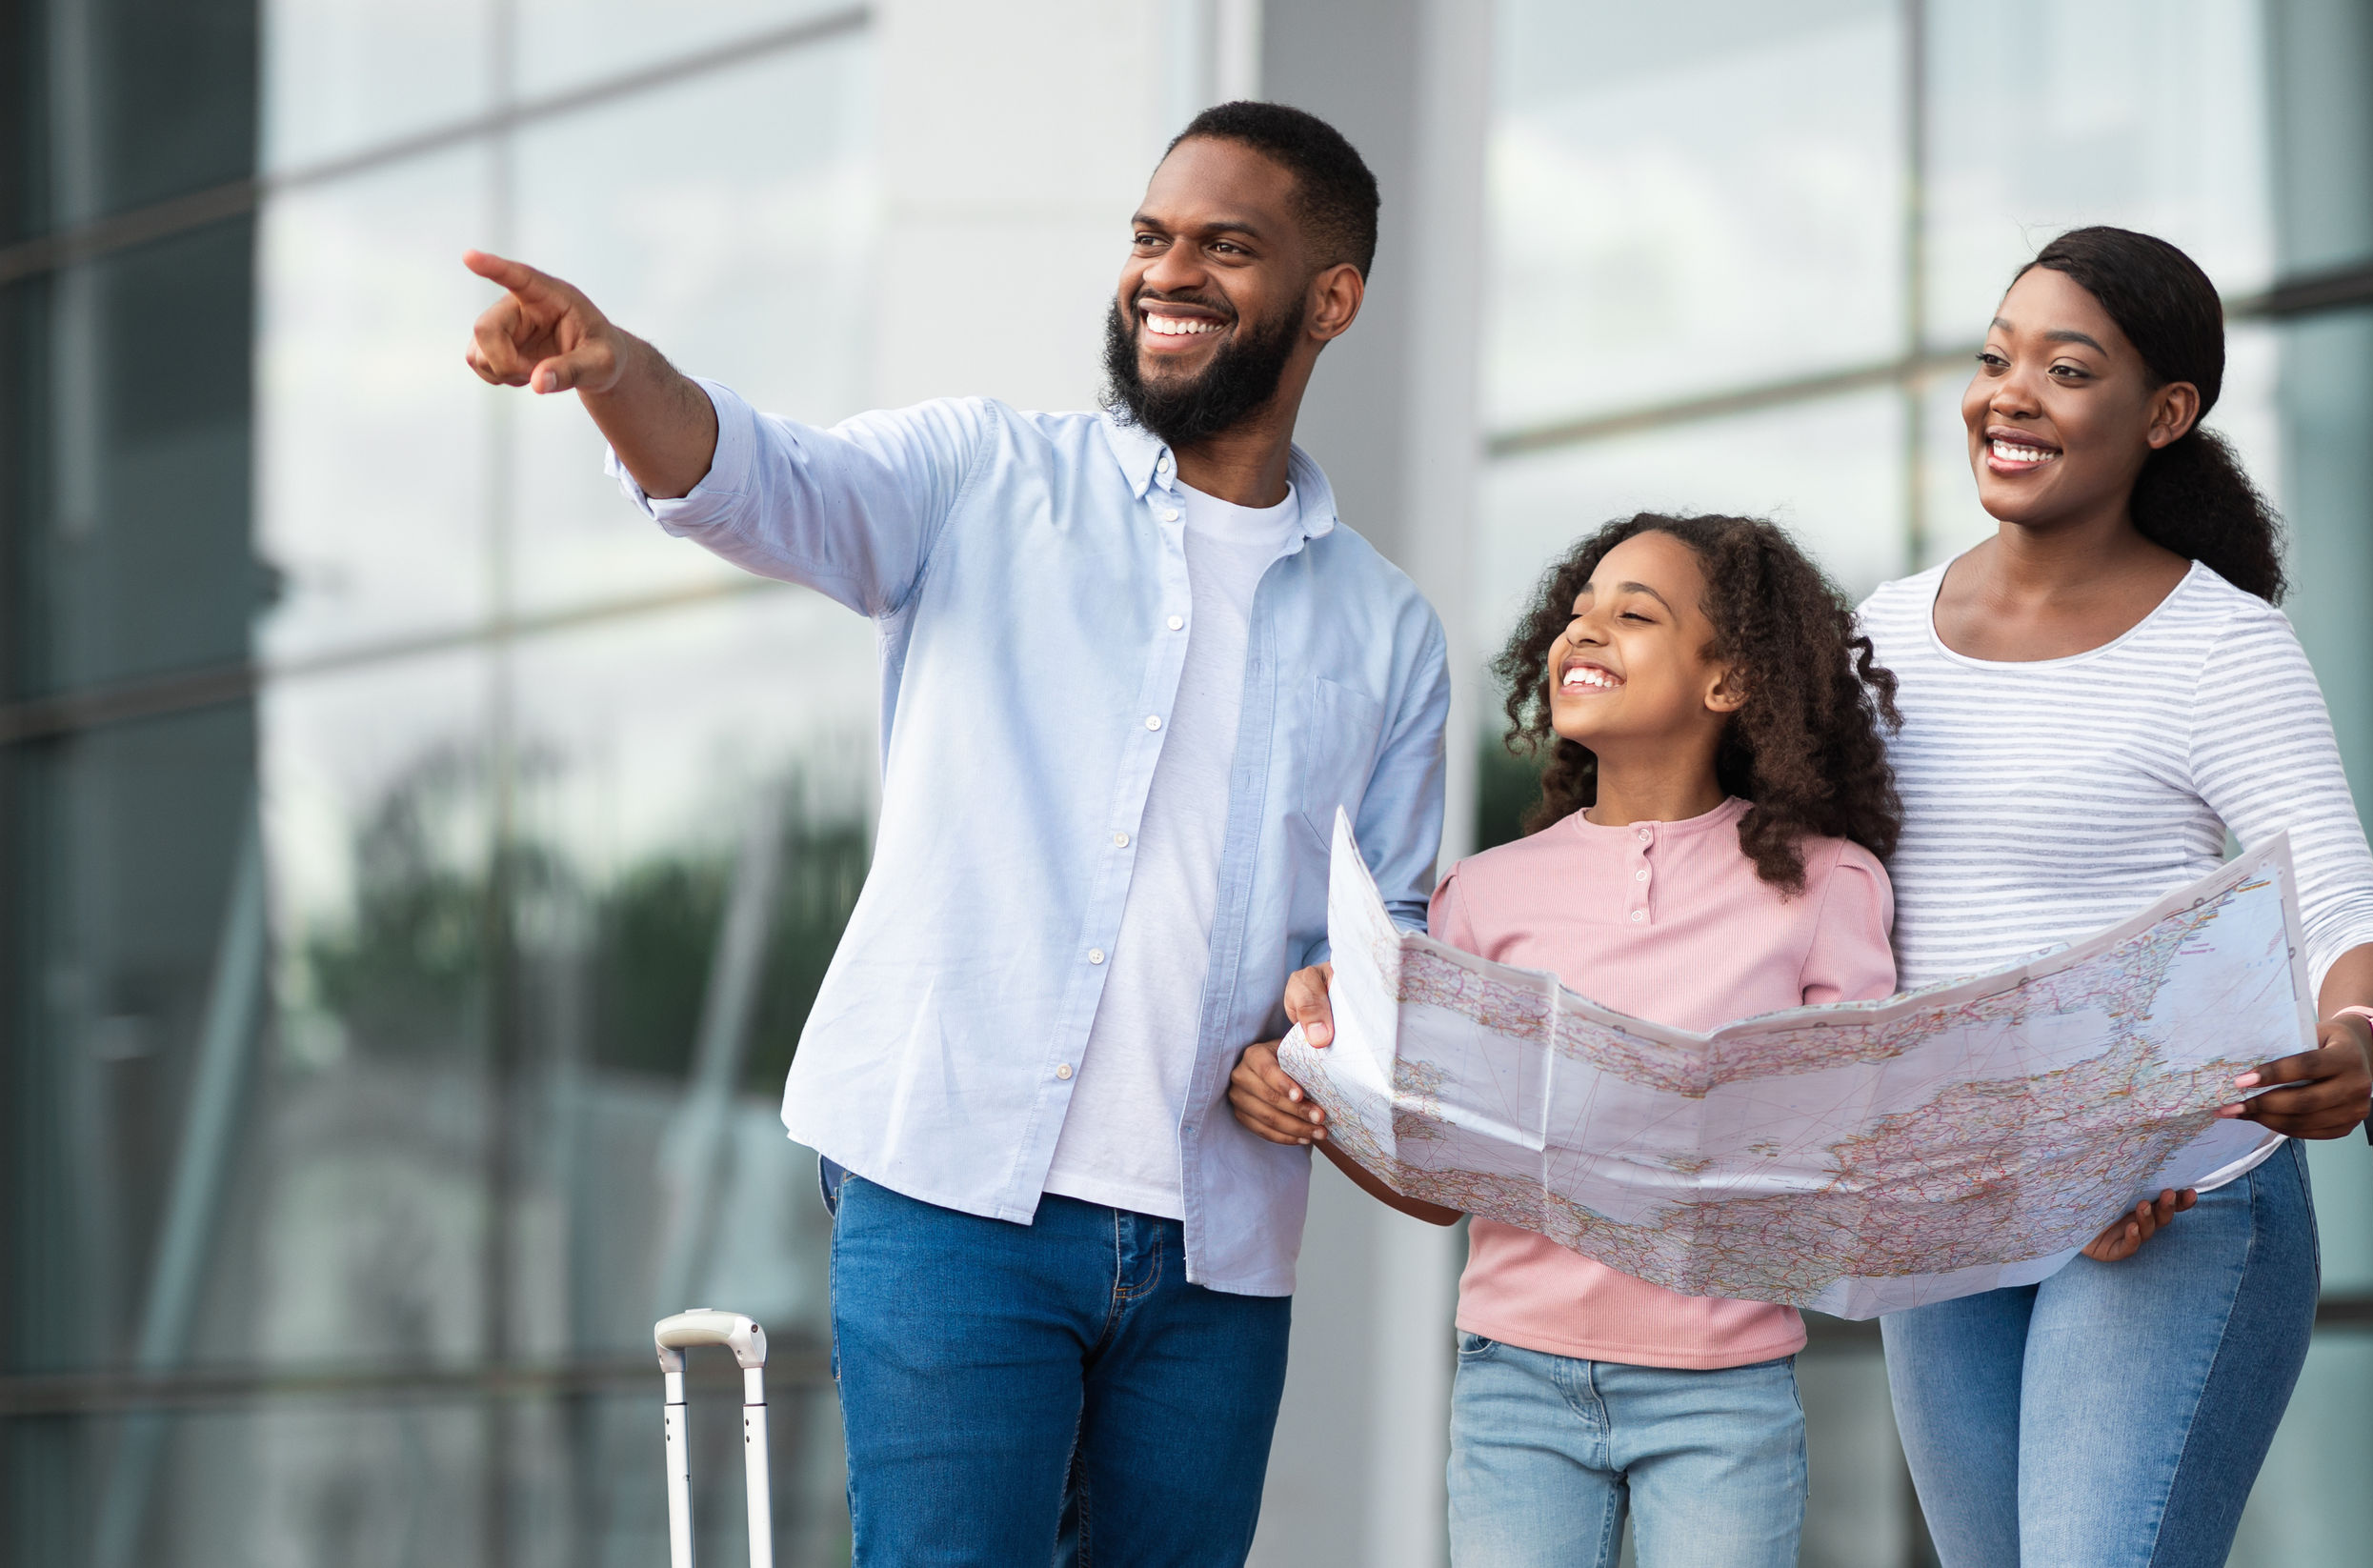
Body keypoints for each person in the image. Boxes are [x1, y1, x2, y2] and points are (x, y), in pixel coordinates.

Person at [456, 103, 1448, 1567]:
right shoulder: (985, 476)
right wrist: (619, 375)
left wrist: (1316, 1029)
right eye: (1150, 237)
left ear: (1331, 298)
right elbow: (758, 478)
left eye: (1227, 247)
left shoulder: (1388, 628)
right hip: (952, 1199)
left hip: (1218, 1252)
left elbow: (1387, 942)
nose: (1168, 273)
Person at [1857, 225, 2373, 1566]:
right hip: (1953, 1198)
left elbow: (2355, 918)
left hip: (2172, 1195)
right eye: (1998, 359)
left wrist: (2354, 1041)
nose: (2011, 393)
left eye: (2067, 368)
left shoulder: (2220, 646)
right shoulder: (1876, 634)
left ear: (2165, 413)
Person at [1229, 513, 1904, 1568]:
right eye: (1578, 610)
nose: (1584, 631)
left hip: (1721, 1387)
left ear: (1728, 679)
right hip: (1514, 1380)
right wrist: (1316, 1104)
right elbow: (1443, 1183)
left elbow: (1847, 1159)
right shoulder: (1482, 897)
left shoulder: (1829, 887)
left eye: (1633, 615)